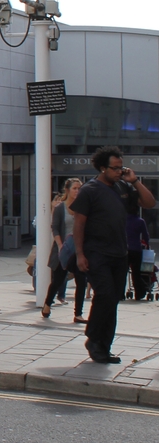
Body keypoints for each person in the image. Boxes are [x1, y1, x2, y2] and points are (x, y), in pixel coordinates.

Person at [72, 146, 156, 364]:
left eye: (122, 167)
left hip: (120, 253)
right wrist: (80, 254)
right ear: (102, 168)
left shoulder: (122, 187)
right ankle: (93, 338)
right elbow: (78, 224)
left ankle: (103, 346)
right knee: (106, 294)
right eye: (115, 168)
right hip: (96, 253)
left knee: (113, 299)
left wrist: (134, 181)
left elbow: (150, 203)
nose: (120, 171)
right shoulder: (90, 190)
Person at [41, 178, 88, 323]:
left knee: (81, 281)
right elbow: (55, 228)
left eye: (79, 188)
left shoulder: (83, 207)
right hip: (64, 249)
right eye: (74, 188)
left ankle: (78, 314)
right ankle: (47, 304)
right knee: (58, 280)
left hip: (79, 250)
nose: (77, 191)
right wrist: (60, 245)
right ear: (67, 190)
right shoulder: (60, 208)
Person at [126, 203, 152, 301]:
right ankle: (139, 293)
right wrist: (147, 245)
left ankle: (120, 293)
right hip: (136, 249)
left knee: (123, 272)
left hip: (125, 249)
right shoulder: (140, 221)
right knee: (136, 272)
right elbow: (146, 236)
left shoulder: (124, 220)